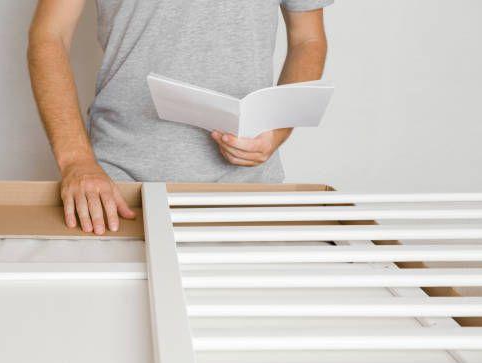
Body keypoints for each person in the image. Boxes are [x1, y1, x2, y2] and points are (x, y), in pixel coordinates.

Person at [28, 0, 332, 235]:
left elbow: (308, 40)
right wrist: (76, 161)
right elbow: (50, 36)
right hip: (116, 190)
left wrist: (276, 130)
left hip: (247, 187)